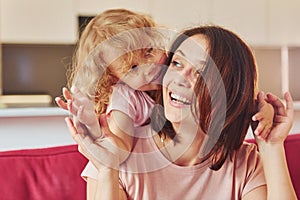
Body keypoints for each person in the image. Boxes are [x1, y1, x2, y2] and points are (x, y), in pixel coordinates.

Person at [61, 25, 297, 200]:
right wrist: (107, 171)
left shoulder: (247, 164)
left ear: (230, 93)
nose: (180, 80)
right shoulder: (118, 153)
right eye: (176, 64)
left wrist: (271, 146)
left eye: (202, 72)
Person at [56, 8, 168, 163]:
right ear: (113, 78)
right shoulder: (124, 97)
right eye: (133, 68)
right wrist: (93, 126)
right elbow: (119, 152)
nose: (148, 68)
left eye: (149, 51)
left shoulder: (167, 84)